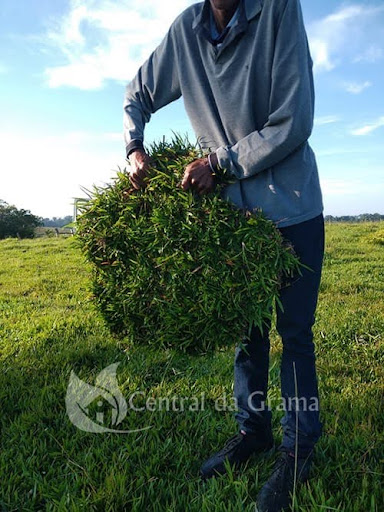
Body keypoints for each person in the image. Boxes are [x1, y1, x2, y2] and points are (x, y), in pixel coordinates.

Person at [123, 0, 324, 510]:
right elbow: (137, 93)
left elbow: (292, 121)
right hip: (233, 220)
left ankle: (298, 449)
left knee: (294, 333)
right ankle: (251, 431)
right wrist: (134, 148)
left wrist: (220, 161)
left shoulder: (278, 11)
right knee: (247, 334)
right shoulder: (187, 29)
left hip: (291, 204)